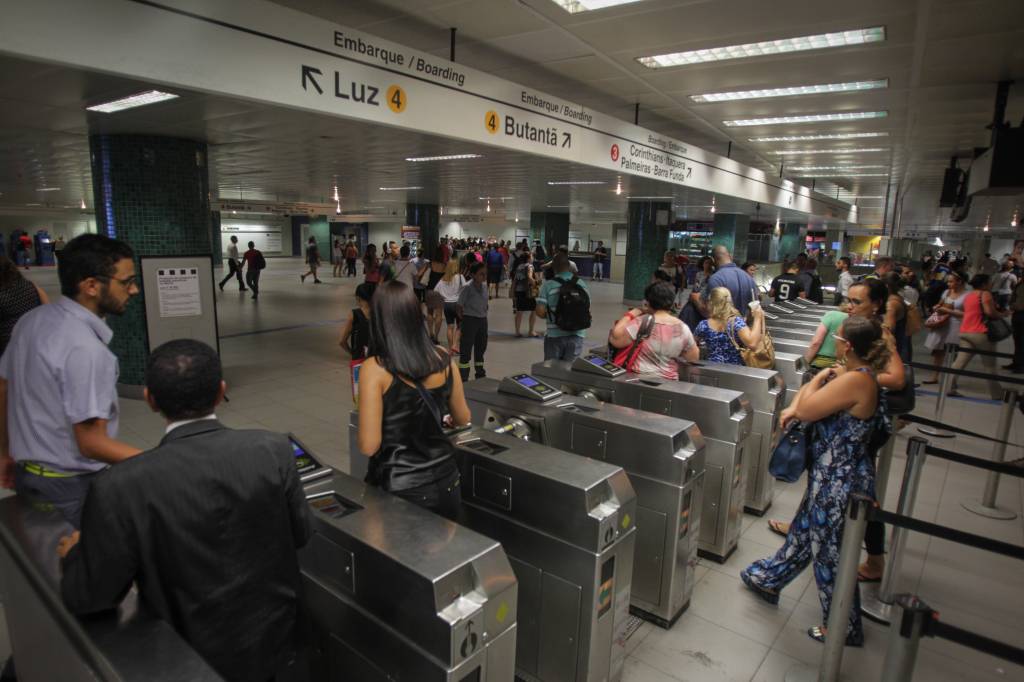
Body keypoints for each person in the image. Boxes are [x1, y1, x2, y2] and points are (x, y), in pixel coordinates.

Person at [59, 339, 313, 682]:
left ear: (150, 400)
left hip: (191, 660)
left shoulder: (122, 484)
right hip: (280, 648)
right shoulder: (273, 450)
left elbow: (92, 597)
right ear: (220, 391)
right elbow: (300, 534)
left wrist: (75, 555)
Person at [741, 316, 892, 648]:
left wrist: (820, 376)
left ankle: (844, 626)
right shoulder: (859, 376)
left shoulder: (855, 380)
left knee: (830, 553)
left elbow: (807, 409)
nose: (835, 341)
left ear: (847, 346)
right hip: (836, 474)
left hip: (840, 481)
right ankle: (769, 578)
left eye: (838, 337)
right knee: (804, 532)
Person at [0, 234, 141, 528]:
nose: (134, 289)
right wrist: (166, 462)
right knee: (81, 567)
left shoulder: (33, 321)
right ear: (91, 285)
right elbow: (91, 443)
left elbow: (4, 387)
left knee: (46, 566)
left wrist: (5, 451)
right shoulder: (85, 349)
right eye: (126, 282)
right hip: (69, 488)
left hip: (29, 474)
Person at [357, 281, 470, 519]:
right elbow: (463, 418)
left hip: (400, 491)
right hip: (446, 480)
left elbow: (369, 445)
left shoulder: (374, 368)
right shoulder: (443, 357)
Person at [608, 281, 699, 379]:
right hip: (669, 384)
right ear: (672, 302)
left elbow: (616, 339)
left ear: (648, 302)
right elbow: (693, 358)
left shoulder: (642, 322)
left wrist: (633, 313)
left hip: (639, 380)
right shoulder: (682, 328)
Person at [950, 274, 1006, 400]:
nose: (991, 284)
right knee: (990, 366)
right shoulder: (985, 294)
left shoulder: (968, 295)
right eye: (989, 281)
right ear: (984, 284)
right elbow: (989, 312)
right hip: (981, 333)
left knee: (959, 363)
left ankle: (949, 387)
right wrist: (1002, 315)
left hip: (965, 331)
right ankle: (998, 395)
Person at [537, 252, 591, 361]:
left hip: (555, 335)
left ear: (553, 268)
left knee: (552, 371)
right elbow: (587, 308)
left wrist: (553, 314)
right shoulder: (581, 284)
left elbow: (540, 312)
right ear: (569, 267)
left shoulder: (548, 285)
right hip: (577, 334)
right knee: (570, 371)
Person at [693, 287, 765, 365]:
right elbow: (753, 344)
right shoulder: (735, 323)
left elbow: (692, 343)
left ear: (711, 303)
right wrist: (757, 318)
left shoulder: (703, 325)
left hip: (712, 369)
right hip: (735, 371)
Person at [923, 270, 967, 383]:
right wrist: (937, 307)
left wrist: (947, 310)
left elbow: (967, 314)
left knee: (953, 353)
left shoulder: (967, 295)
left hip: (956, 325)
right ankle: (935, 376)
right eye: (948, 282)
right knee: (938, 352)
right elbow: (941, 303)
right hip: (942, 323)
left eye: (951, 282)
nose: (948, 284)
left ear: (960, 282)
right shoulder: (947, 292)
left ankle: (951, 378)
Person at [0, 254, 48, 358]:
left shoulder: (2, 294)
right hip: (33, 342)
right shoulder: (31, 285)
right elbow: (47, 308)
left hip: (8, 349)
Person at [696, 245, 758, 317]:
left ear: (713, 260)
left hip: (722, 326)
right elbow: (755, 308)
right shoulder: (748, 278)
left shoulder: (716, 279)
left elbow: (710, 312)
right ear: (730, 257)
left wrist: (695, 300)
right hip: (744, 326)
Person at [456, 262, 489, 381]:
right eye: (481, 274)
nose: (484, 277)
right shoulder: (467, 287)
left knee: (481, 347)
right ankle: (463, 376)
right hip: (470, 320)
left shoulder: (485, 286)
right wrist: (463, 320)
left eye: (485, 274)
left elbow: (485, 303)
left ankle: (480, 373)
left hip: (482, 321)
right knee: (466, 349)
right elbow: (459, 306)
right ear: (473, 275)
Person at [435, 259, 465, 354]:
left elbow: (436, 291)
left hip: (447, 305)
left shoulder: (443, 279)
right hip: (457, 304)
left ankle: (450, 349)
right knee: (460, 326)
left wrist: (444, 296)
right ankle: (455, 345)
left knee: (449, 327)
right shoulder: (460, 277)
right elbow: (465, 288)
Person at [339, 282, 373, 360]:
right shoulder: (380, 313)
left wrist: (352, 353)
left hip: (359, 359)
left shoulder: (355, 314)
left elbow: (342, 341)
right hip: (377, 360)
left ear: (358, 298)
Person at [883, 272, 910, 362]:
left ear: (886, 286)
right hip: (897, 344)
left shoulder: (892, 303)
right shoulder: (898, 298)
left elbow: (888, 328)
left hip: (892, 348)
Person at [512, 250, 539, 338]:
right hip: (527, 291)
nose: (533, 258)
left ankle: (517, 331)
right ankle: (531, 331)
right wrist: (536, 282)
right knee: (534, 310)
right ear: (528, 258)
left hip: (518, 291)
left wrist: (512, 290)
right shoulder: (530, 266)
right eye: (531, 256)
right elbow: (529, 277)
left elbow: (515, 280)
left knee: (519, 311)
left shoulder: (519, 266)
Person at [1007, 275, 1024, 373]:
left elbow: (1021, 304)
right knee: (1017, 339)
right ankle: (1016, 362)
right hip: (1018, 314)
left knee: (1021, 340)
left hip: (1021, 313)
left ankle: (1021, 365)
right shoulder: (1020, 284)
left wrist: (1013, 305)